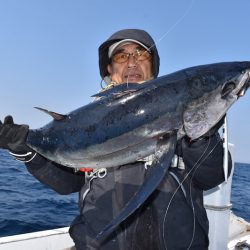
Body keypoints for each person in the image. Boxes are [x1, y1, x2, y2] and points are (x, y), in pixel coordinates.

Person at [0, 29, 231, 250]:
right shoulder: (83, 128)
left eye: (141, 54)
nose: (132, 62)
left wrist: (203, 132)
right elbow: (66, 183)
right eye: (122, 56)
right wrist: (26, 150)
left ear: (153, 65)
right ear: (109, 70)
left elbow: (211, 176)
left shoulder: (182, 119)